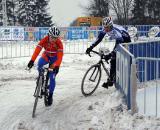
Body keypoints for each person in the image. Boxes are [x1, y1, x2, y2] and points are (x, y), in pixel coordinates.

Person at [86, 16, 131, 88]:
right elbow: (98, 39)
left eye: (107, 27)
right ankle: (112, 78)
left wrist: (111, 54)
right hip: (119, 40)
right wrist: (90, 47)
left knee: (113, 59)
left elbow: (119, 44)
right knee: (113, 58)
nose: (106, 29)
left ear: (111, 25)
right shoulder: (105, 29)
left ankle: (112, 79)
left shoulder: (116, 30)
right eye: (105, 27)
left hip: (125, 41)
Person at [27, 26, 63, 106]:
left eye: (56, 38)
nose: (54, 39)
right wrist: (32, 60)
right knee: (39, 63)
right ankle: (41, 76)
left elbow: (60, 56)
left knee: (52, 77)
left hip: (54, 59)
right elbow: (37, 50)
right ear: (49, 35)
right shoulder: (44, 40)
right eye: (52, 37)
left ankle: (50, 95)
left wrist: (57, 66)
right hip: (46, 56)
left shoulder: (59, 43)